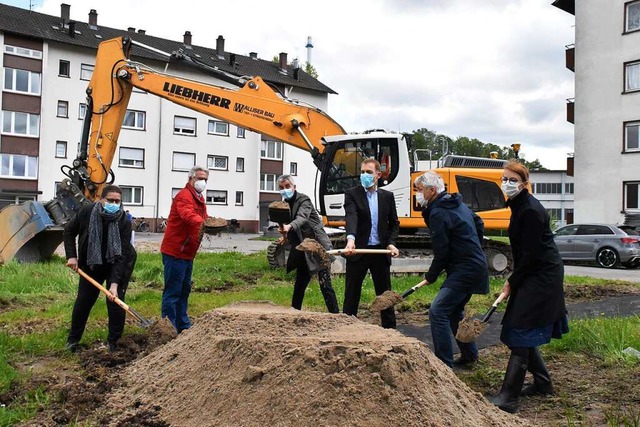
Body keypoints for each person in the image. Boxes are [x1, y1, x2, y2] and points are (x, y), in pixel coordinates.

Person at [490, 160, 568, 413]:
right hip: (532, 271)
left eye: (513, 179)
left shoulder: (530, 210)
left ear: (524, 184)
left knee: (520, 328)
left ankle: (508, 397)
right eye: (505, 178)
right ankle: (543, 384)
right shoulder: (519, 206)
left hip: (543, 275)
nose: (507, 183)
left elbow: (532, 254)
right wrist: (515, 278)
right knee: (519, 327)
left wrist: (512, 280)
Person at [415, 171, 489, 369]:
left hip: (466, 269)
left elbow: (442, 251)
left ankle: (444, 364)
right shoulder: (456, 204)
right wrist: (473, 246)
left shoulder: (438, 212)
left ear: (432, 191)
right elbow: (479, 223)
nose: (417, 194)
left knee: (437, 311)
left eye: (419, 190)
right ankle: (469, 356)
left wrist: (431, 275)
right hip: (473, 265)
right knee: (454, 311)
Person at [64, 185, 136, 353]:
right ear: (101, 200)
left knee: (116, 302)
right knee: (84, 301)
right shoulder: (87, 212)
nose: (113, 203)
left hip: (117, 262)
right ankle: (73, 341)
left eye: (117, 201)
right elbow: (69, 231)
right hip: (91, 262)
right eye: (110, 200)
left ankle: (114, 343)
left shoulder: (124, 220)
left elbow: (123, 255)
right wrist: (71, 256)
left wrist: (114, 284)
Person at [342, 158, 400, 329]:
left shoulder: (387, 197)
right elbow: (351, 216)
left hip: (379, 252)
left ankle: (390, 332)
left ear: (378, 175)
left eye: (369, 172)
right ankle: (347, 329)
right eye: (362, 172)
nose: (364, 175)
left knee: (385, 296)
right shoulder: (352, 194)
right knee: (352, 294)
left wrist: (390, 243)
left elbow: (394, 223)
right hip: (358, 251)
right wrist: (350, 239)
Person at [276, 175, 340, 313]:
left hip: (317, 247)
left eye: (287, 186)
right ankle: (294, 312)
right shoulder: (284, 204)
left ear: (294, 187)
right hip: (303, 249)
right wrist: (285, 235)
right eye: (281, 188)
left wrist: (289, 227)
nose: (285, 190)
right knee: (300, 283)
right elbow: (288, 224)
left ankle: (335, 315)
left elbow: (301, 218)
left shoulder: (304, 200)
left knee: (325, 283)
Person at [160, 165, 209, 333]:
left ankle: (183, 324)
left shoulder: (199, 198)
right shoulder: (184, 196)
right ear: (191, 179)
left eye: (205, 179)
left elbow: (203, 217)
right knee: (173, 291)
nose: (202, 182)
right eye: (200, 178)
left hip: (187, 252)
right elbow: (188, 215)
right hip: (176, 251)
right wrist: (204, 224)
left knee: (184, 290)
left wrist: (211, 222)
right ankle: (168, 327)